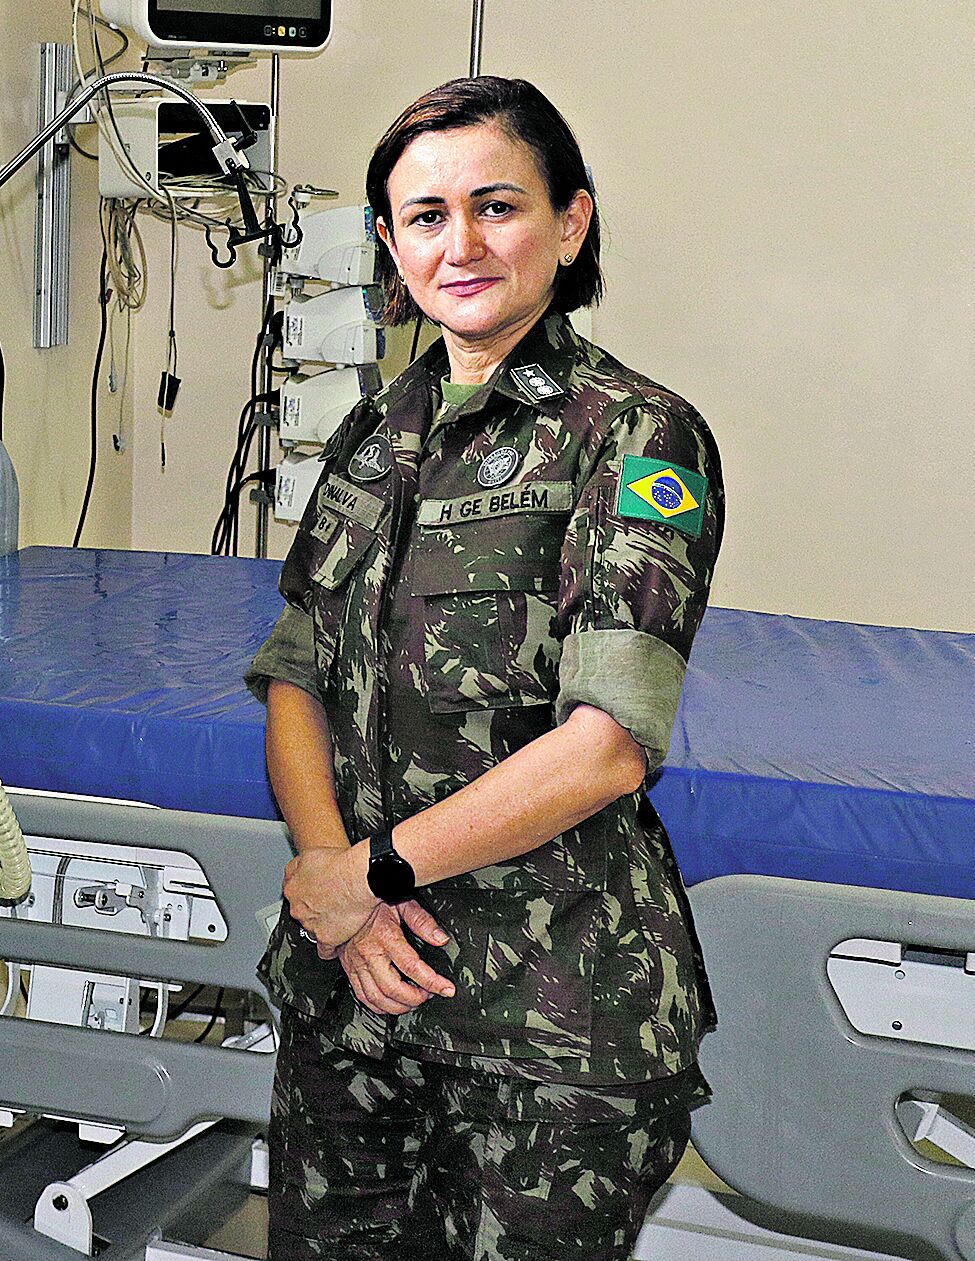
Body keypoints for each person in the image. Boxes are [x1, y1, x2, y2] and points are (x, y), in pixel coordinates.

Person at [246, 76, 725, 1260]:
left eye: (495, 206)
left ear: (569, 222)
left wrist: (370, 872)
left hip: (548, 1027)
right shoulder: (369, 434)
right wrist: (327, 878)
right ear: (386, 244)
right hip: (355, 994)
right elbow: (296, 673)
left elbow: (606, 744)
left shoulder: (632, 433)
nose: (457, 244)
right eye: (422, 216)